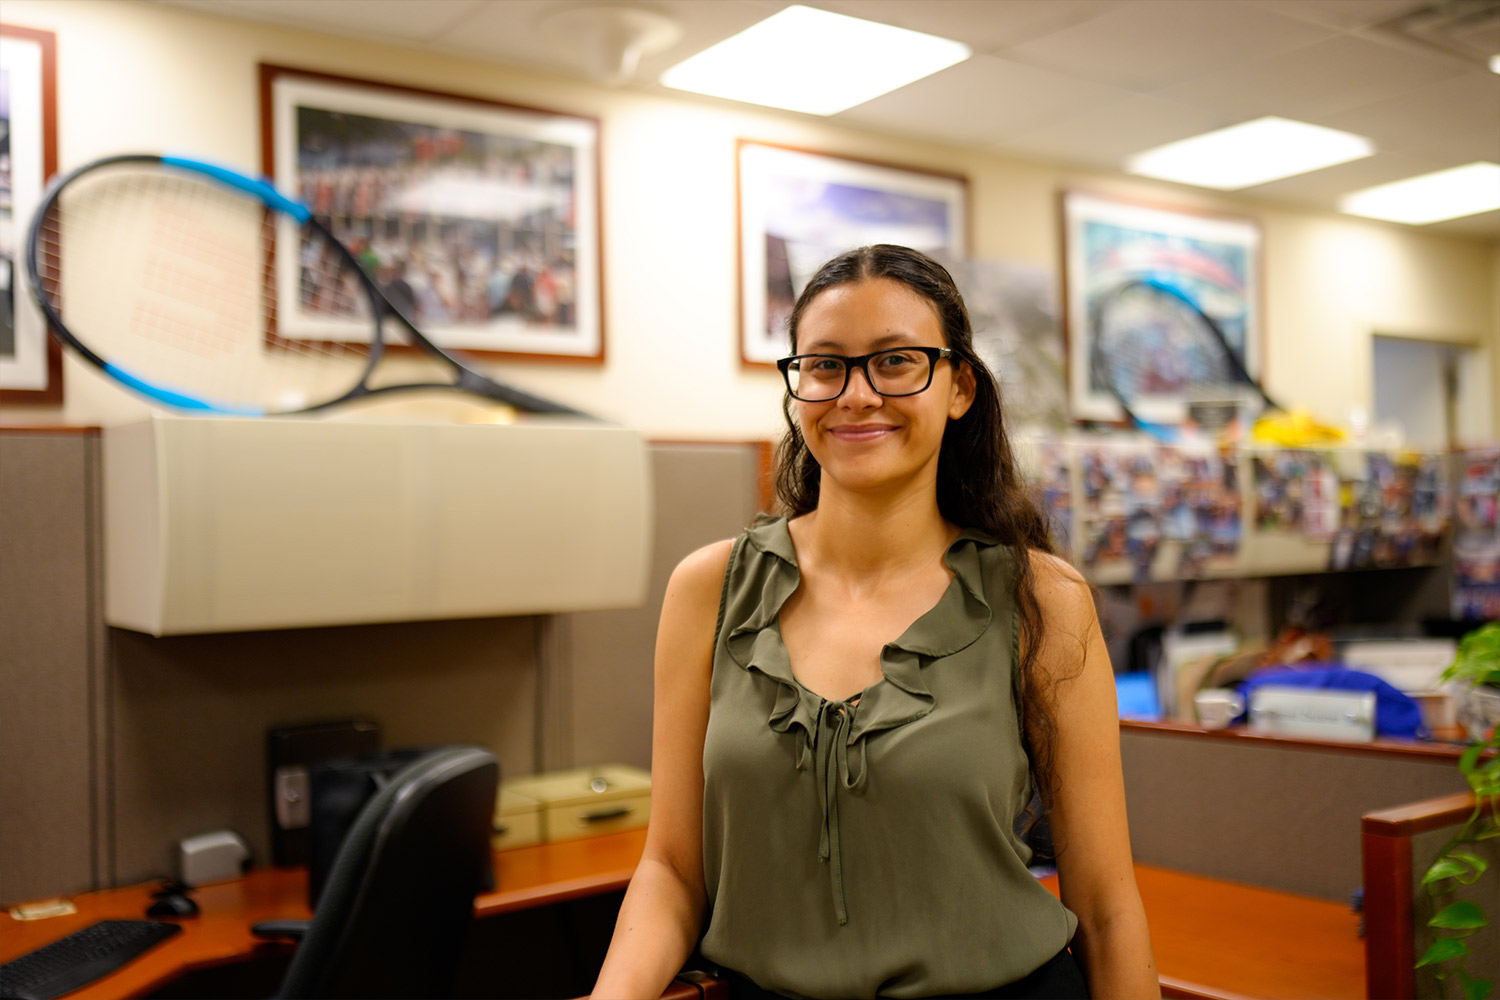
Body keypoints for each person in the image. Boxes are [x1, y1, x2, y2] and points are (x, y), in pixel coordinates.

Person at [593, 245, 1158, 999]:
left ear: (958, 387)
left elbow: (1107, 908)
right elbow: (670, 869)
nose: (856, 395)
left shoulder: (1042, 598)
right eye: (826, 365)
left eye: (896, 362)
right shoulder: (710, 589)